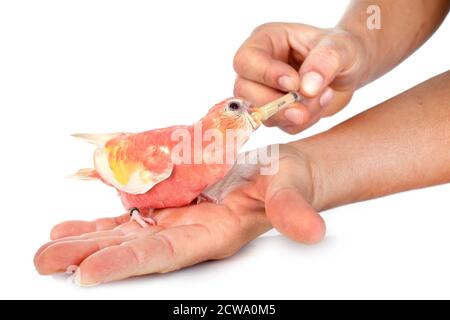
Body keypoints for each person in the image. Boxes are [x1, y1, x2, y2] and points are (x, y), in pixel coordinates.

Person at [34, 0, 450, 285]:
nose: (250, 112)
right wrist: (357, 38)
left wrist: (315, 167)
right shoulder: (166, 155)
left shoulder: (217, 160)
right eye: (236, 109)